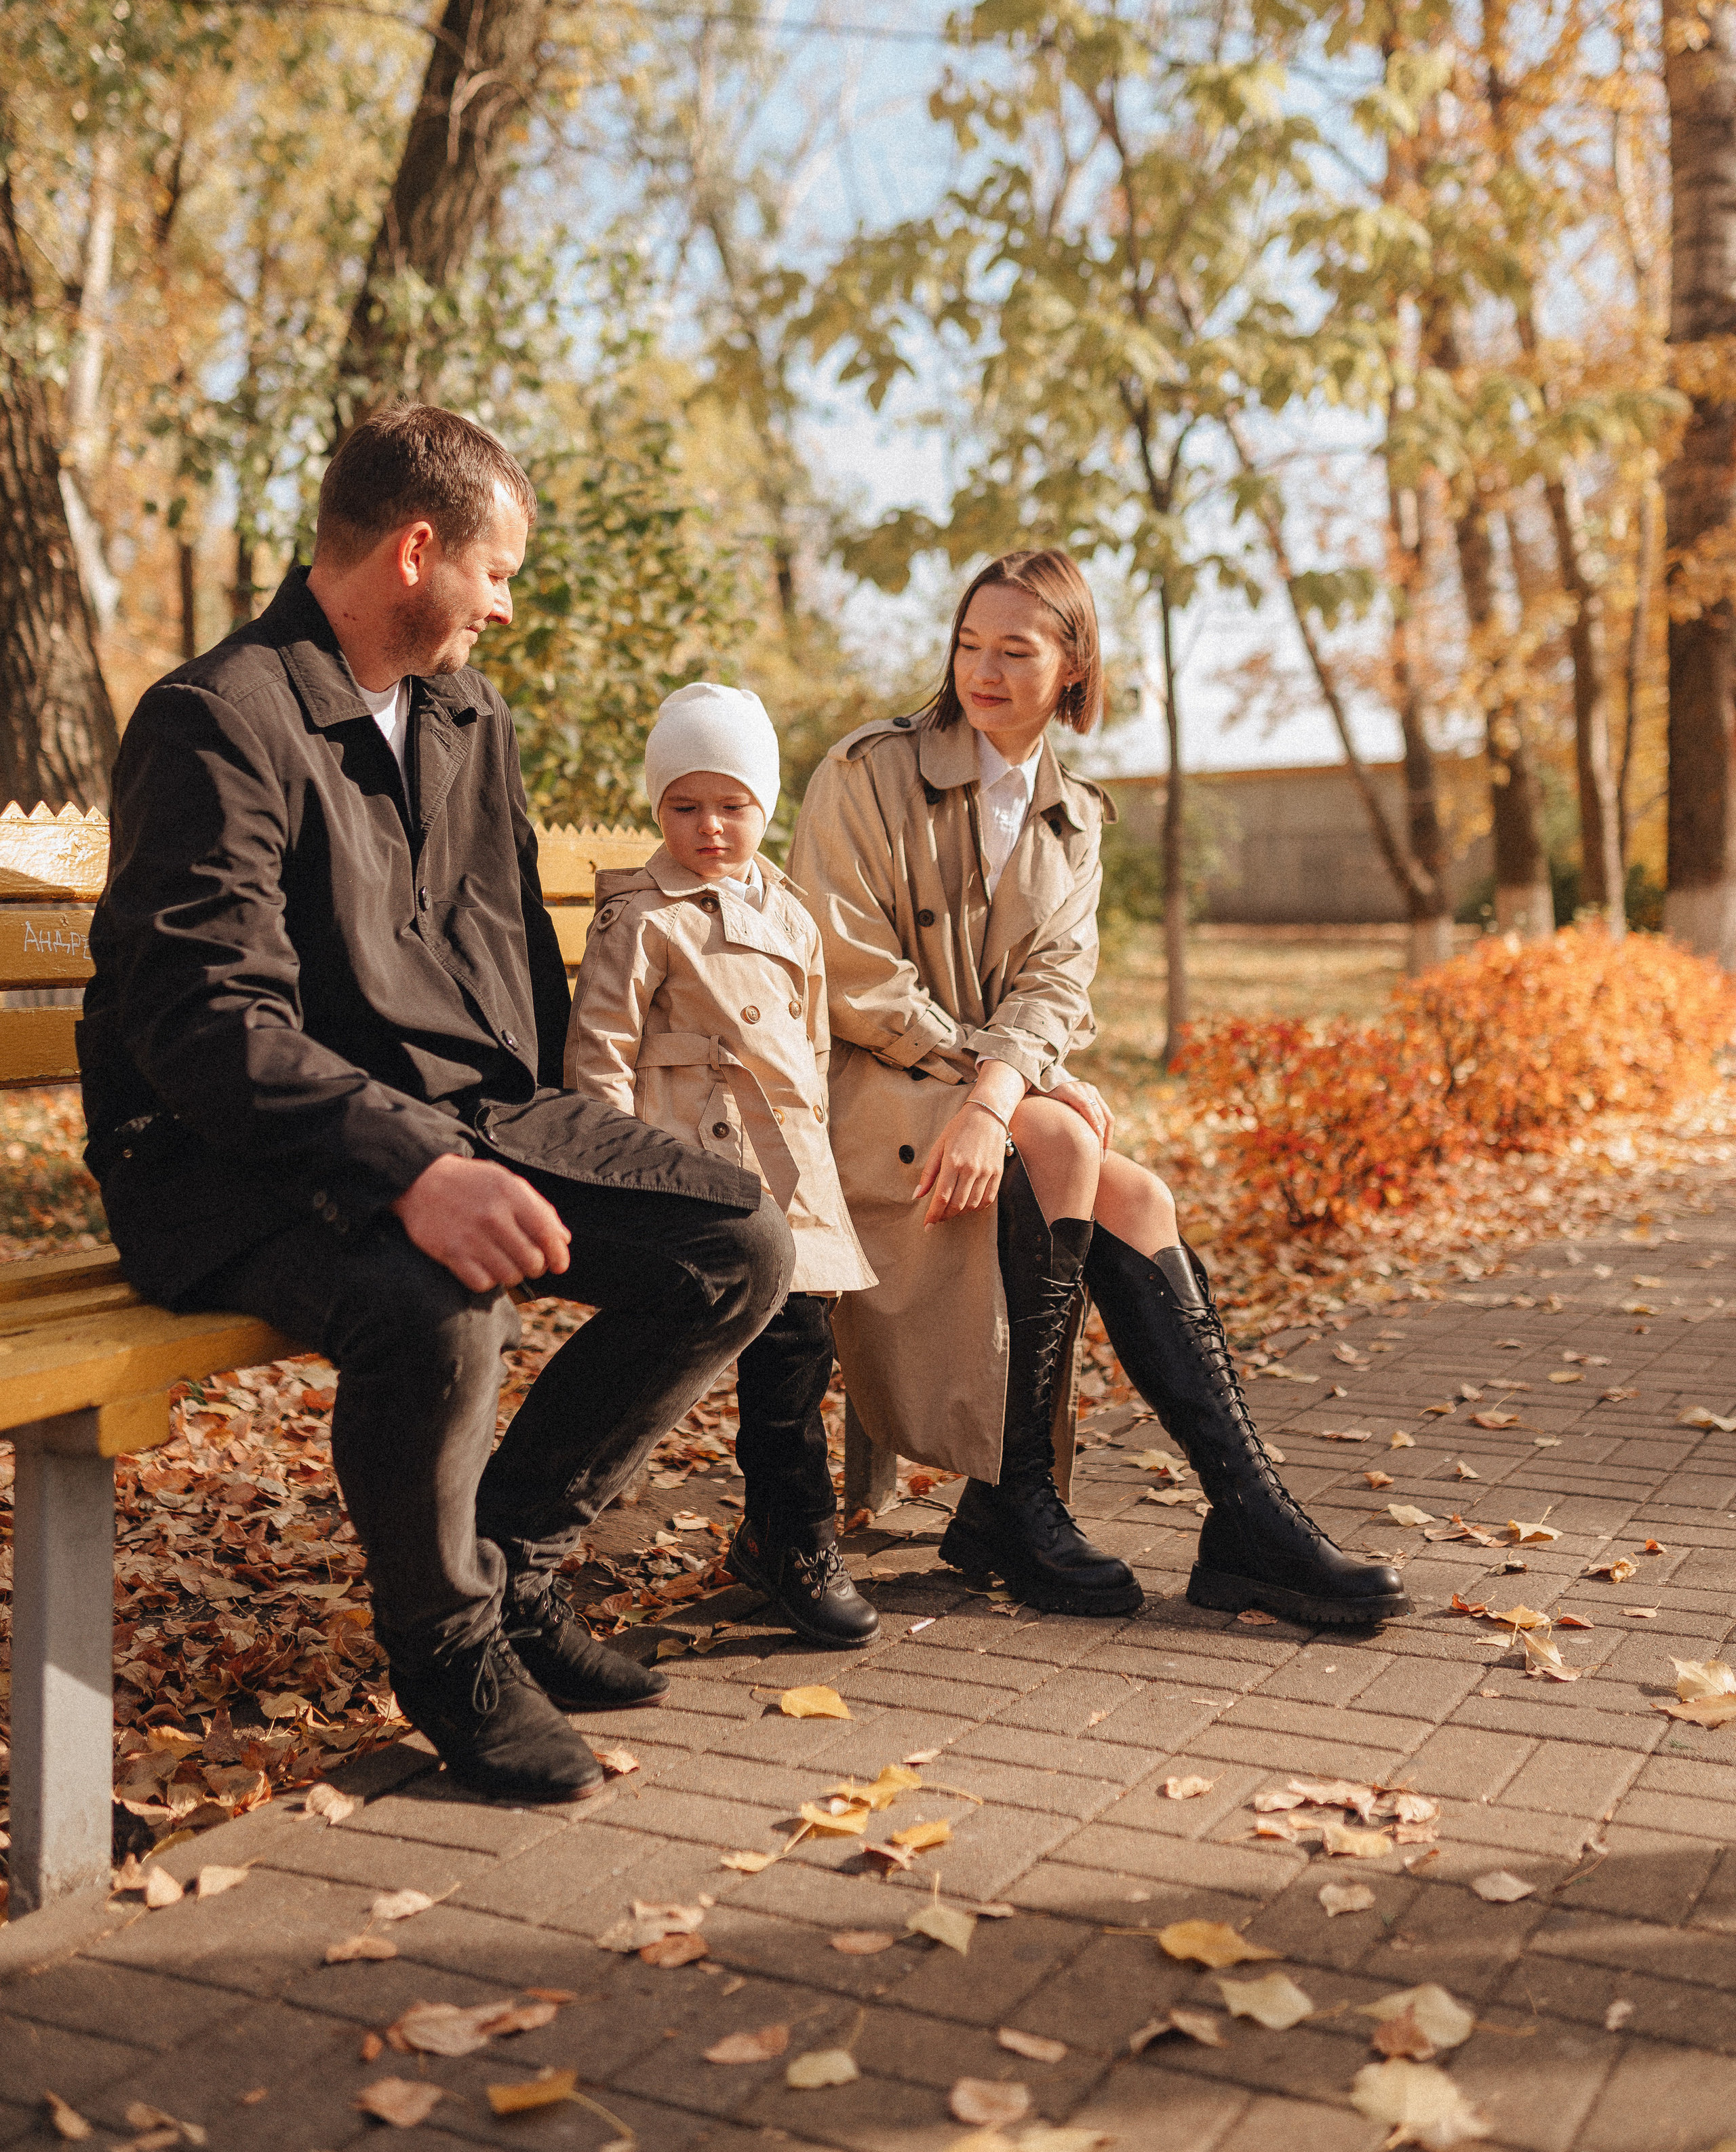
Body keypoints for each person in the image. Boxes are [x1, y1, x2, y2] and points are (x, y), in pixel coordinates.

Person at [79, 404, 795, 1806]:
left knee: (737, 1243)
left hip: (460, 1113)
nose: (507, 605)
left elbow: (503, 955)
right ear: (419, 551)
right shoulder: (219, 717)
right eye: (499, 570)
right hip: (226, 1158)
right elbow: (204, 1017)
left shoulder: (471, 714)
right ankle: (450, 1646)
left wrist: (543, 1134)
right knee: (436, 1303)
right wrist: (413, 1164)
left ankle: (516, 1560)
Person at [789, 547, 1407, 1627]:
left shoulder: (1075, 816)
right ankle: (1017, 1494)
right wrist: (998, 1084)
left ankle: (1245, 1513)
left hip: (976, 1096)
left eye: (1015, 650)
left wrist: (1006, 1083)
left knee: (1141, 1197)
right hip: (870, 1091)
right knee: (1067, 1144)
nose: (983, 669)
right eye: (970, 644)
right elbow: (849, 973)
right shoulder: (867, 770)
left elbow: (1056, 983)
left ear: (1073, 666)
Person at [565, 682, 880, 1648]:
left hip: (791, 1167)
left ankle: (777, 1533)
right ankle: (797, 1536)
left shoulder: (787, 911)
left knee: (801, 1356)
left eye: (733, 805)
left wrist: (820, 1155)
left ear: (766, 806)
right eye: (685, 806)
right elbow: (600, 1053)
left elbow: (812, 1046)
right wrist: (613, 1178)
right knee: (769, 1351)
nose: (710, 827)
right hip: (693, 1168)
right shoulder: (642, 917)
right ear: (658, 808)